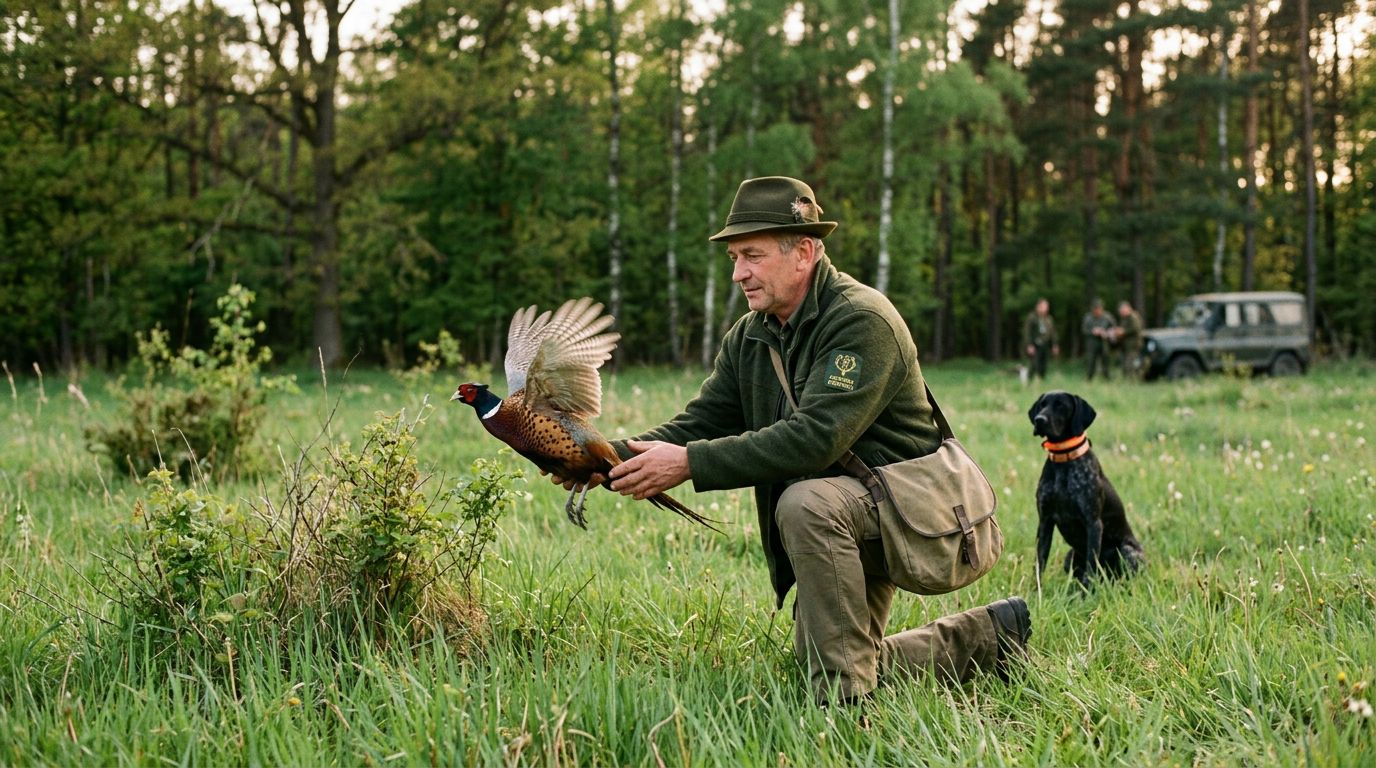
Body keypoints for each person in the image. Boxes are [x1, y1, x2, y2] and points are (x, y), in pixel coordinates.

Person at [585, 176, 1030, 706]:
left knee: (807, 504)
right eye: (733, 258)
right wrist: (592, 455)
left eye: (751, 255)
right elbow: (700, 422)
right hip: (846, 514)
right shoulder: (751, 334)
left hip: (904, 509)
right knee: (817, 659)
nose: (738, 273)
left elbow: (815, 439)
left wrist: (690, 465)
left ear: (805, 253)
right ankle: (990, 637)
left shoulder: (861, 320)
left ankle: (843, 707)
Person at [1022, 298, 1058, 381]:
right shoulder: (1032, 317)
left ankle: (1041, 380)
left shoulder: (1049, 319)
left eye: (1047, 306)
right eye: (1044, 306)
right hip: (1035, 344)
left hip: (1045, 344)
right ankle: (1029, 379)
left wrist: (1054, 345)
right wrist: (1029, 345)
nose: (1046, 308)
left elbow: (1053, 333)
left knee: (1044, 364)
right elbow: (1027, 332)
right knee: (1034, 363)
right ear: (1038, 307)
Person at [1081, 298, 1116, 381]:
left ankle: (1106, 378)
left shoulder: (1108, 317)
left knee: (1105, 360)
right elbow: (1084, 330)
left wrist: (1106, 333)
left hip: (1104, 343)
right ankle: (1089, 378)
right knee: (1090, 361)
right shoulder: (1088, 317)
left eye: (1099, 309)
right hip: (1092, 343)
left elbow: (1114, 328)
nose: (1097, 311)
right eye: (1096, 309)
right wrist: (1093, 331)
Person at [1115, 300, 1144, 378]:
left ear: (1128, 308)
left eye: (1123, 311)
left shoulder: (1133, 317)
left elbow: (1136, 328)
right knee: (1126, 363)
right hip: (1126, 345)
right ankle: (1129, 379)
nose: (1121, 313)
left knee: (1130, 364)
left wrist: (1123, 331)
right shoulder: (1125, 318)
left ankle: (1132, 380)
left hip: (1133, 345)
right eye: (1120, 311)